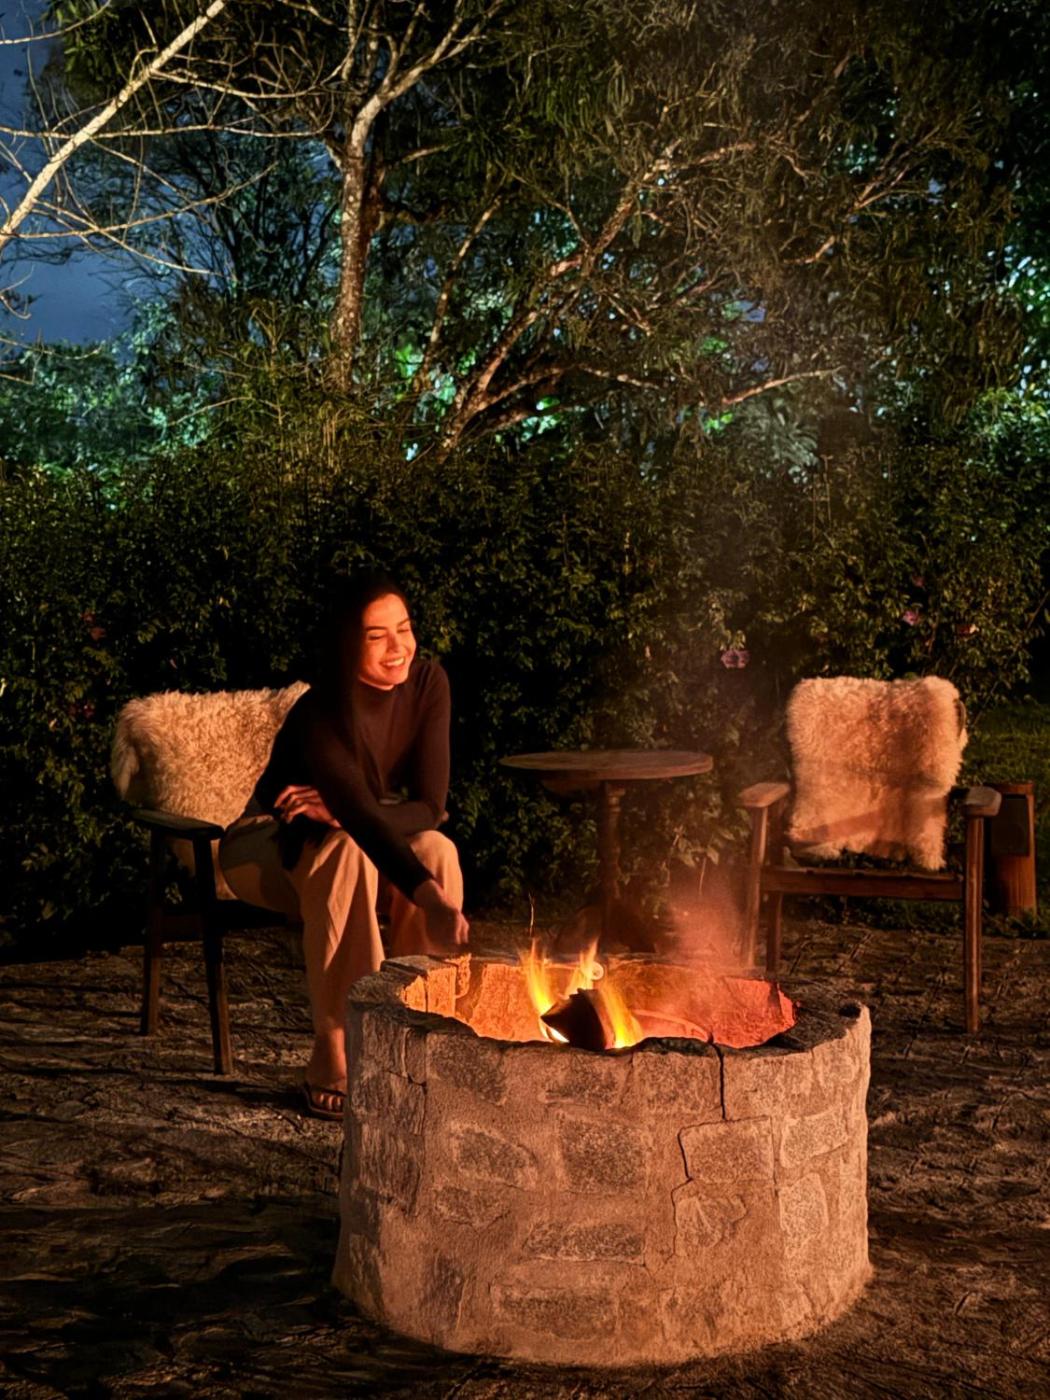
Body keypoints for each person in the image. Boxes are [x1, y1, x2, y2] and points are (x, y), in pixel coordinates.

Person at [219, 572, 468, 1119]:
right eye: (376, 636)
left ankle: (423, 1027)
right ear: (346, 642)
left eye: (404, 629)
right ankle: (336, 1047)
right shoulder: (321, 711)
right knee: (347, 849)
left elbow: (429, 808)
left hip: (355, 833)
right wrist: (427, 894)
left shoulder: (428, 684)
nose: (397, 647)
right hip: (268, 844)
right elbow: (361, 822)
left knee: (437, 850)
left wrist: (345, 811)